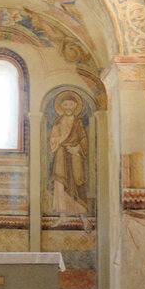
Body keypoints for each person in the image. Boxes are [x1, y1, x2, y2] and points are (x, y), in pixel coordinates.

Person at [49, 92, 88, 223]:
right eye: (65, 105)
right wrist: (59, 140)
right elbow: (53, 139)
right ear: (61, 106)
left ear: (76, 105)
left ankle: (82, 216)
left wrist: (77, 149)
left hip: (75, 156)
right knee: (60, 183)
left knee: (78, 183)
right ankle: (63, 216)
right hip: (61, 156)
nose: (68, 107)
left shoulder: (78, 122)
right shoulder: (58, 121)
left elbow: (84, 139)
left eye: (71, 104)